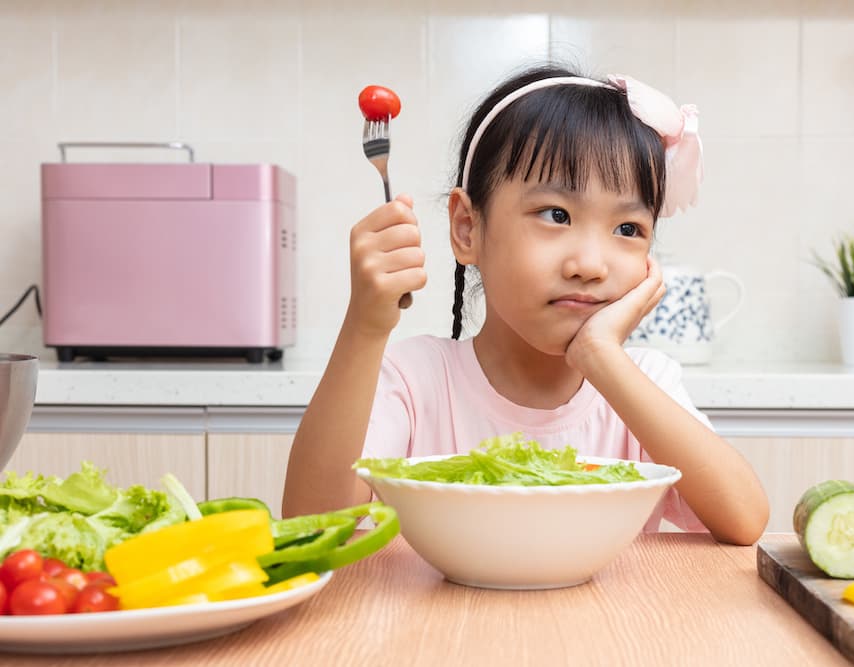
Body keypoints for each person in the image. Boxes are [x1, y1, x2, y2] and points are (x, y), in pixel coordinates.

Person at [284, 64, 769, 545]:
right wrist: (365, 328)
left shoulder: (646, 384)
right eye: (556, 215)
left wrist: (601, 358)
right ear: (468, 230)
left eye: (627, 229)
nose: (590, 264)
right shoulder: (413, 380)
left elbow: (744, 520)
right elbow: (313, 527)